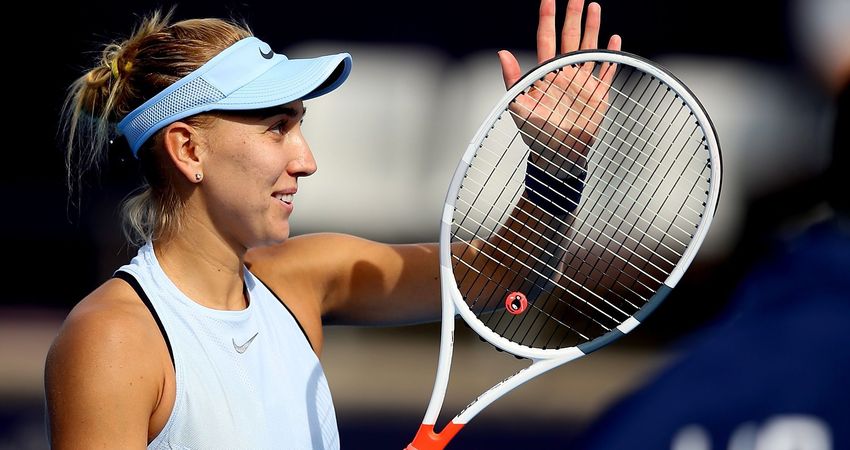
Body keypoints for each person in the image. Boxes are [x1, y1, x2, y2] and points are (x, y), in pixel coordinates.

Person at [44, 1, 622, 448]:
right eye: (276, 127)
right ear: (188, 150)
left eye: (300, 124)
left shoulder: (304, 278)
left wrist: (555, 170)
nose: (306, 160)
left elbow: (506, 277)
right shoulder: (112, 340)